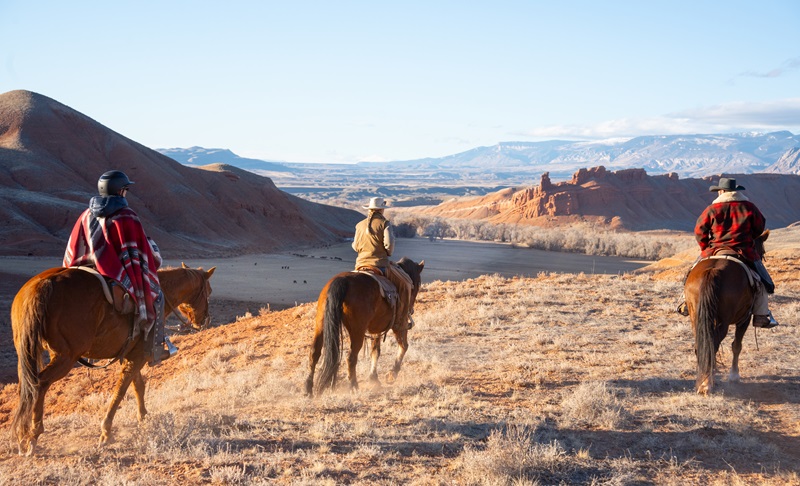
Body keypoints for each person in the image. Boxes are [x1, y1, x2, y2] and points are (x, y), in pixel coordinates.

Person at [63, 170, 178, 364]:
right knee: (156, 297)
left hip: (83, 267)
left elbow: (77, 244)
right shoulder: (126, 216)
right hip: (113, 272)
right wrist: (154, 255)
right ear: (121, 191)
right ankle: (153, 350)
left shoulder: (86, 214)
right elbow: (139, 251)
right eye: (125, 189)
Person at [678, 177, 778, 328]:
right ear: (735, 191)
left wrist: (705, 247)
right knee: (763, 283)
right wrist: (748, 236)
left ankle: (686, 303)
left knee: (690, 274)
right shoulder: (749, 207)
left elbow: (699, 231)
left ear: (722, 191)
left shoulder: (711, 209)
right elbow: (759, 227)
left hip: (714, 249)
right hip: (743, 251)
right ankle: (761, 315)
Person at [352, 197, 413, 329]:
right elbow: (389, 244)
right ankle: (402, 319)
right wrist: (387, 253)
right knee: (406, 283)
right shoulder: (385, 223)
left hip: (360, 264)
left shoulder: (359, 225)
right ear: (381, 209)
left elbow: (355, 246)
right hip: (380, 264)